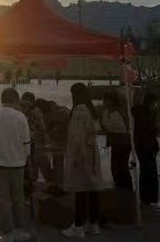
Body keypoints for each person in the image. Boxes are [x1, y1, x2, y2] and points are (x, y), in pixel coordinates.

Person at [0, 87, 32, 242]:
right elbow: (26, 144)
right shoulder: (21, 117)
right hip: (18, 166)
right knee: (18, 199)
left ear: (2, 100)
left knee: (3, 200)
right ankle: (20, 230)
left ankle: (7, 233)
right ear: (16, 100)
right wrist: (27, 162)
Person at [62, 83, 102, 238]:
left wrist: (78, 158)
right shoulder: (90, 111)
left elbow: (76, 139)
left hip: (81, 154)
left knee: (80, 191)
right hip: (92, 153)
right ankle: (93, 223)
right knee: (92, 190)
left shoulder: (79, 112)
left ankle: (78, 226)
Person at [132, 91, 160, 207]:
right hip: (145, 146)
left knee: (148, 172)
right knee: (147, 172)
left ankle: (148, 198)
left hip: (145, 146)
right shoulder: (142, 113)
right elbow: (147, 129)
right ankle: (147, 198)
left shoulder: (146, 112)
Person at [101, 91, 132, 190]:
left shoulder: (119, 112)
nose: (105, 102)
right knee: (114, 166)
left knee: (122, 166)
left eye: (107, 100)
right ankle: (118, 186)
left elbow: (125, 128)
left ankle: (126, 188)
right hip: (114, 141)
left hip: (123, 142)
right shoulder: (105, 112)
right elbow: (104, 125)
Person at [20, 92, 50, 183]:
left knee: (32, 173)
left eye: (25, 105)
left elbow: (42, 129)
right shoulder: (22, 114)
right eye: (22, 105)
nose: (23, 108)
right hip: (28, 148)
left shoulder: (35, 113)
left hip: (33, 147)